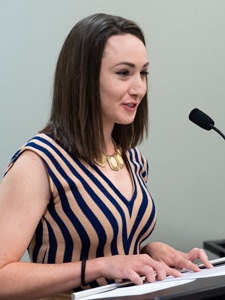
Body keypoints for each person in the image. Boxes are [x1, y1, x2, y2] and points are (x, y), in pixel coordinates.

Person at [0, 13, 212, 300]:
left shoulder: (133, 160)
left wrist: (147, 251)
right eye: (124, 73)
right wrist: (99, 266)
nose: (139, 88)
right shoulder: (39, 163)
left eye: (143, 73)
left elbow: (113, 249)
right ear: (83, 79)